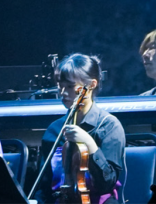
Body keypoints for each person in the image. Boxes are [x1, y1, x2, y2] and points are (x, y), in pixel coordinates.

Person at [35, 54, 127, 204]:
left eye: (70, 86)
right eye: (60, 86)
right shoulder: (54, 130)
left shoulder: (109, 126)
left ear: (92, 85)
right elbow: (44, 185)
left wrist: (90, 144)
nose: (63, 92)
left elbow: (107, 183)